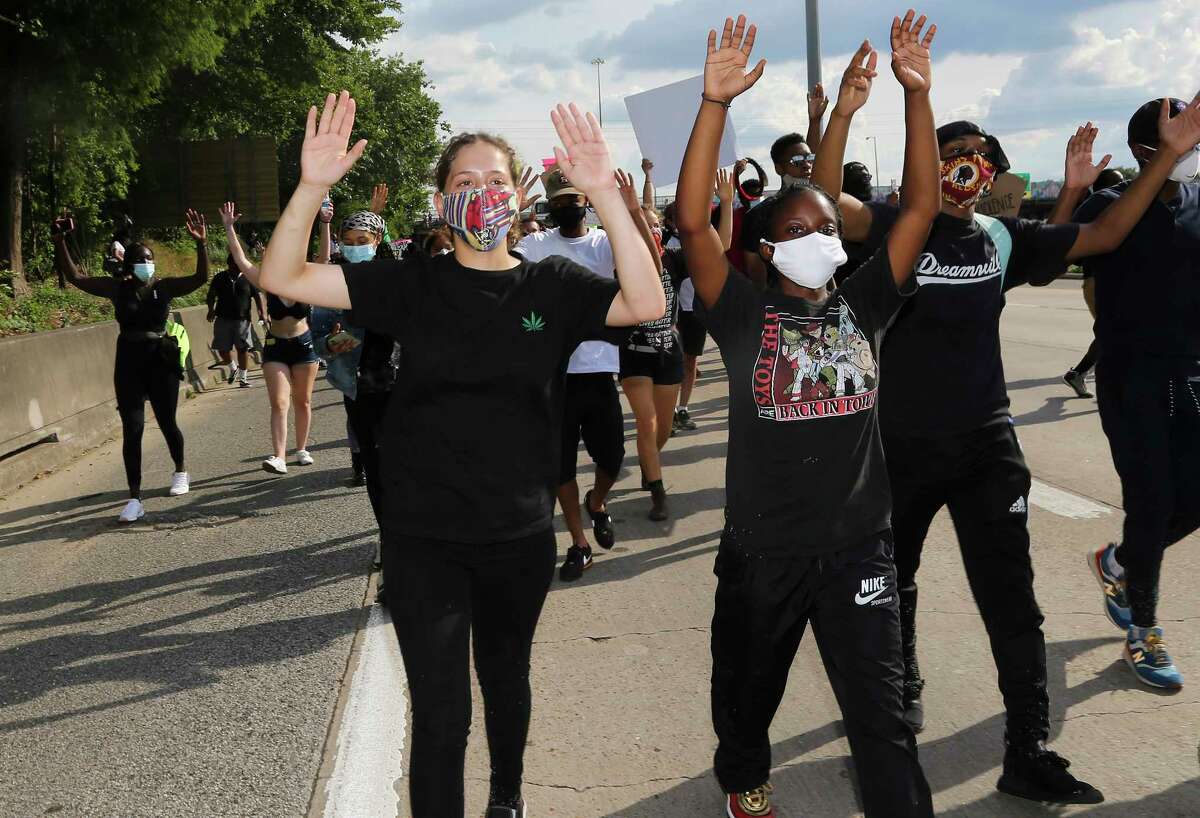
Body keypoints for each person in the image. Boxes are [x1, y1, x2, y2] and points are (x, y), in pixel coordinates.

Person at [256, 91, 665, 818]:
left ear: (520, 194)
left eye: (496, 182)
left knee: (506, 681)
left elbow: (646, 304)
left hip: (517, 534)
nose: (482, 195)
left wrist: (603, 192)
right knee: (442, 717)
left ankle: (507, 797)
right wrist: (312, 186)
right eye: (464, 184)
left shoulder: (553, 284)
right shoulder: (411, 284)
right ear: (441, 202)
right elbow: (283, 279)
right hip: (423, 539)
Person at [818, 47, 1200, 807]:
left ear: (993, 174)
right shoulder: (897, 229)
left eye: (977, 158)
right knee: (892, 588)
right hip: (898, 449)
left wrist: (1171, 158)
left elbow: (1107, 235)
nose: (966, 166)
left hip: (988, 448)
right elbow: (828, 202)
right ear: (929, 165)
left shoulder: (1002, 240)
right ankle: (897, 712)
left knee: (1013, 602)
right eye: (951, 155)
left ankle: (1027, 751)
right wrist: (844, 116)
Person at [678, 13, 940, 818]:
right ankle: (745, 783)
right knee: (747, 695)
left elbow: (921, 208)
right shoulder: (742, 313)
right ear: (766, 248)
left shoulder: (867, 304)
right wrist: (713, 104)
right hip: (765, 556)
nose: (816, 238)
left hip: (861, 549)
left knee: (883, 721)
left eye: (825, 229)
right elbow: (691, 224)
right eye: (794, 232)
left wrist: (916, 98)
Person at [1074, 96, 1200, 691]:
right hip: (1133, 378)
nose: (1191, 146)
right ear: (1144, 152)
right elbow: (1064, 257)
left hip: (1193, 375)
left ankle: (1119, 563)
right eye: (1180, 136)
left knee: (1192, 499)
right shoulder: (1110, 204)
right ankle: (1143, 631)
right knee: (1150, 503)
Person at [51, 210, 209, 522]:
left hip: (160, 359)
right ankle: (134, 497)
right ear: (127, 263)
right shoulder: (117, 288)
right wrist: (60, 241)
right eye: (139, 258)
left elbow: (200, 278)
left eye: (149, 258)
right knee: (132, 429)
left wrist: (201, 245)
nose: (145, 262)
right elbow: (76, 278)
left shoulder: (164, 287)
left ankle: (180, 470)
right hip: (129, 362)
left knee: (167, 422)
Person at [515, 165, 634, 576]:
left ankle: (596, 502)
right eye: (560, 201)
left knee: (613, 459)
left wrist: (624, 209)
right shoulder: (535, 244)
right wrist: (513, 214)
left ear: (587, 202)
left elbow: (646, 270)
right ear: (551, 205)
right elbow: (502, 267)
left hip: (600, 369)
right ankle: (578, 543)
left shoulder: (604, 243)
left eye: (575, 200)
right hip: (554, 374)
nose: (568, 207)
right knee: (560, 465)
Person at [312, 208, 400, 604]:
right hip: (359, 388)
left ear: (377, 243)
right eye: (347, 244)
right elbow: (316, 341)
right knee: (379, 471)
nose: (354, 249)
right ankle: (393, 545)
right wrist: (330, 345)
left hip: (405, 385)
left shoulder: (396, 280)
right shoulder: (329, 286)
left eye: (362, 242)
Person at [221, 201, 320, 475]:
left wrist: (322, 223)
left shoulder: (304, 278)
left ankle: (301, 448)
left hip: (303, 345)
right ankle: (279, 457)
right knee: (279, 402)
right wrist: (229, 227)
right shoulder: (266, 281)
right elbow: (241, 260)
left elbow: (323, 257)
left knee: (303, 401)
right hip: (276, 347)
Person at [1062, 165, 1125, 398]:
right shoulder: (1095, 211)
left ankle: (1082, 373)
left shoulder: (1118, 209)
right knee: (1113, 331)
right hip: (1098, 281)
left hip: (1116, 280)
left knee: (1118, 330)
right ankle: (1080, 373)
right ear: (1104, 188)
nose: (1123, 188)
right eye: (1117, 184)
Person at [206, 252, 267, 387]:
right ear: (229, 264)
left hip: (242, 320)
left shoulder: (248, 278)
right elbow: (211, 295)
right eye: (236, 264)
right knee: (222, 349)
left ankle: (243, 379)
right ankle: (233, 368)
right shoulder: (220, 277)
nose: (239, 267)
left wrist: (261, 312)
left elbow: (257, 296)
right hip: (222, 318)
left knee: (242, 349)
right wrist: (210, 309)